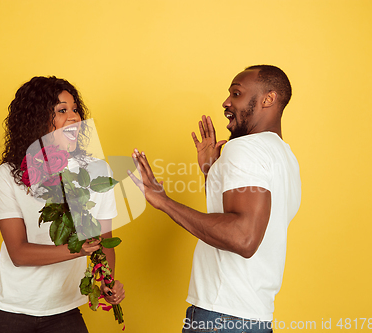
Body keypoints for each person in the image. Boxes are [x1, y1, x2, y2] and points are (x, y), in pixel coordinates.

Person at [129, 65, 301, 333]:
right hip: (255, 316)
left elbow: (243, 237)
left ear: (268, 99)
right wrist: (211, 170)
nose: (226, 102)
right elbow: (245, 217)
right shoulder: (285, 157)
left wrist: (163, 201)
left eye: (237, 93)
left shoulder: (244, 148)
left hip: (221, 316)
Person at [0, 76, 125, 333]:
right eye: (62, 111)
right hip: (7, 312)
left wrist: (106, 282)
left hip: (63, 311)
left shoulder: (97, 171)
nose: (75, 117)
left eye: (75, 109)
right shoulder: (10, 173)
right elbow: (19, 254)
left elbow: (104, 240)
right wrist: (79, 250)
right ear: (37, 120)